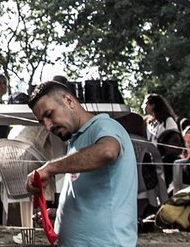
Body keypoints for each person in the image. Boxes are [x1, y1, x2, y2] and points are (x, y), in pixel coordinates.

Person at [25, 80, 136, 247]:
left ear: (69, 101)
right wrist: (58, 214)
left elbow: (107, 151)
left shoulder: (105, 126)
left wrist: (50, 168)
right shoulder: (76, 139)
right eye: (42, 121)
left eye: (49, 114)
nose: (47, 126)